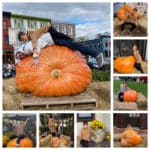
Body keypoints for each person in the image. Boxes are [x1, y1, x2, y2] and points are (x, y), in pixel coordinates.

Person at [17, 25, 104, 68]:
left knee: (71, 44)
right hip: (52, 39)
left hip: (52, 35)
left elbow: (35, 45)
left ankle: (96, 55)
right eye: (22, 40)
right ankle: (93, 60)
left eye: (23, 38)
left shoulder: (32, 34)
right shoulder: (29, 41)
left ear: (25, 34)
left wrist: (35, 57)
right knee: (72, 46)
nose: (24, 40)